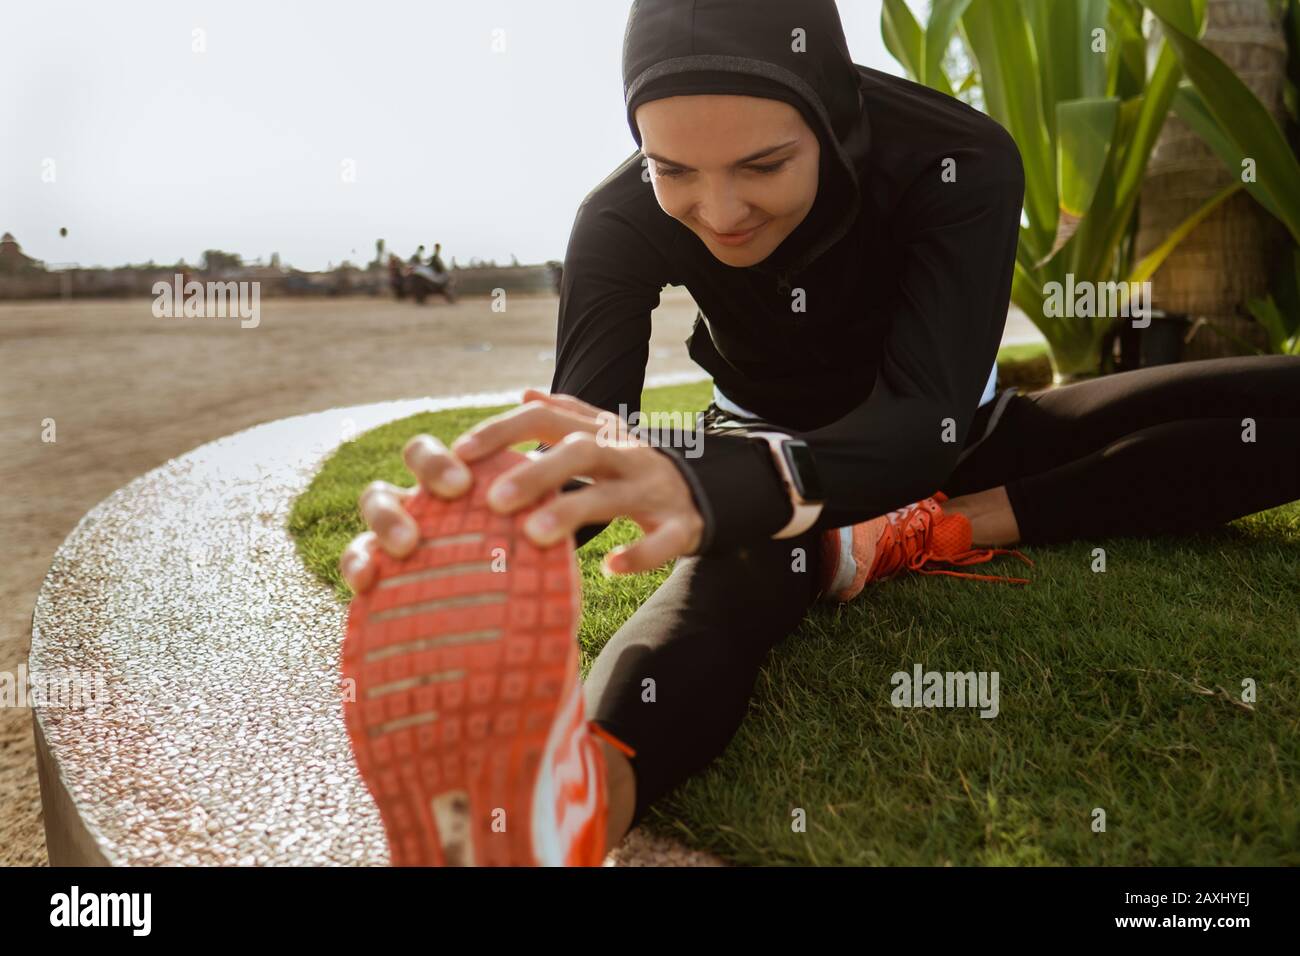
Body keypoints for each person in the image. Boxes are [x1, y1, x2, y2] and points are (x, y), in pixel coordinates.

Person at [340, 0, 1300, 865]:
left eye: (763, 166)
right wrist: (489, 528)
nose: (717, 211)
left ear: (835, 122)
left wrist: (766, 483)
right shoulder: (617, 218)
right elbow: (592, 434)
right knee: (736, 581)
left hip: (952, 431)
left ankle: (942, 526)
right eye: (672, 170)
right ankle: (570, 805)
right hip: (765, 437)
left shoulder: (955, 158)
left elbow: (925, 420)